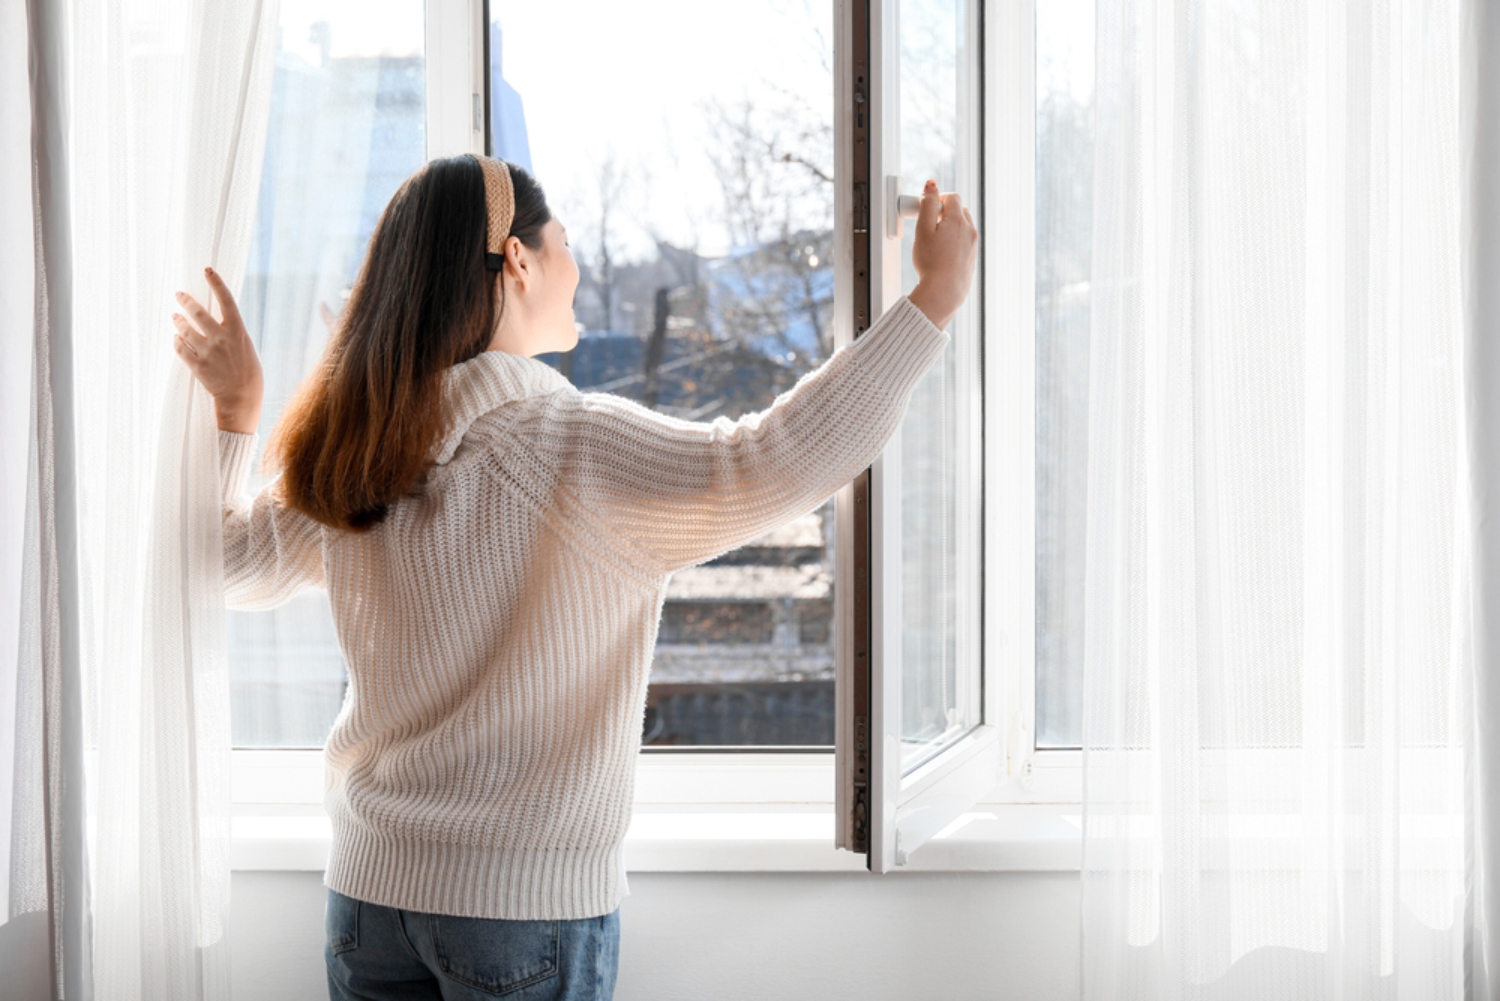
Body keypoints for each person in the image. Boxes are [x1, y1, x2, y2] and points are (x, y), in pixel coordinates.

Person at [170, 153, 977, 1001]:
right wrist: (934, 299)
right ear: (516, 259)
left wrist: (236, 414)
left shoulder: (358, 453)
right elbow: (774, 460)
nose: (579, 266)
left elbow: (224, 563)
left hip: (369, 899)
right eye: (564, 242)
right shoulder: (572, 446)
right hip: (518, 911)